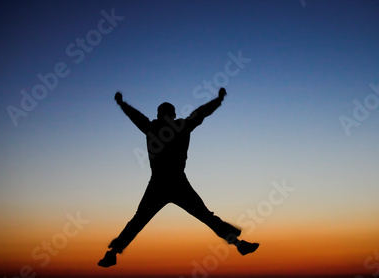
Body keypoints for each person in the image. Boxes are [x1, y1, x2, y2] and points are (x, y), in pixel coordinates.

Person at [98, 88, 259, 267]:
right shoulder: (178, 126)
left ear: (160, 115)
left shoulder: (154, 127)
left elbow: (137, 117)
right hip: (175, 183)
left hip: (162, 183)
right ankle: (239, 244)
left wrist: (122, 104)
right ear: (172, 115)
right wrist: (218, 100)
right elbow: (200, 114)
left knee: (139, 220)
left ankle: (112, 253)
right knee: (205, 216)